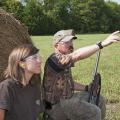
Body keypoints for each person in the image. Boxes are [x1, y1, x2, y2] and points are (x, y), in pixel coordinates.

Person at [43, 29, 120, 120]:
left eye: (71, 41)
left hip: (66, 99)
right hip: (54, 106)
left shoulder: (64, 61)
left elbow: (68, 83)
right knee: (94, 112)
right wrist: (101, 44)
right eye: (67, 42)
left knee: (100, 100)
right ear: (56, 45)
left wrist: (87, 88)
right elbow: (77, 55)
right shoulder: (55, 59)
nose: (71, 44)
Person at [0, 44, 44, 120]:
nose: (40, 61)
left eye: (39, 57)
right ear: (22, 64)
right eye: (34, 58)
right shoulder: (7, 87)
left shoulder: (34, 86)